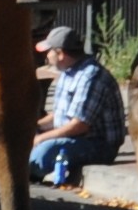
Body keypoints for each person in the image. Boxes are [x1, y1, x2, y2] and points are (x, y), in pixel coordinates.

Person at [28, 26, 105, 187]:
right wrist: (32, 128)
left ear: (60, 53)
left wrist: (41, 137)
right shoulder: (67, 73)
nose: (46, 56)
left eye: (49, 52)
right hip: (72, 137)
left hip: (95, 143)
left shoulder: (90, 76)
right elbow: (59, 116)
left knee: (45, 148)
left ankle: (22, 170)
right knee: (16, 139)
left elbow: (80, 125)